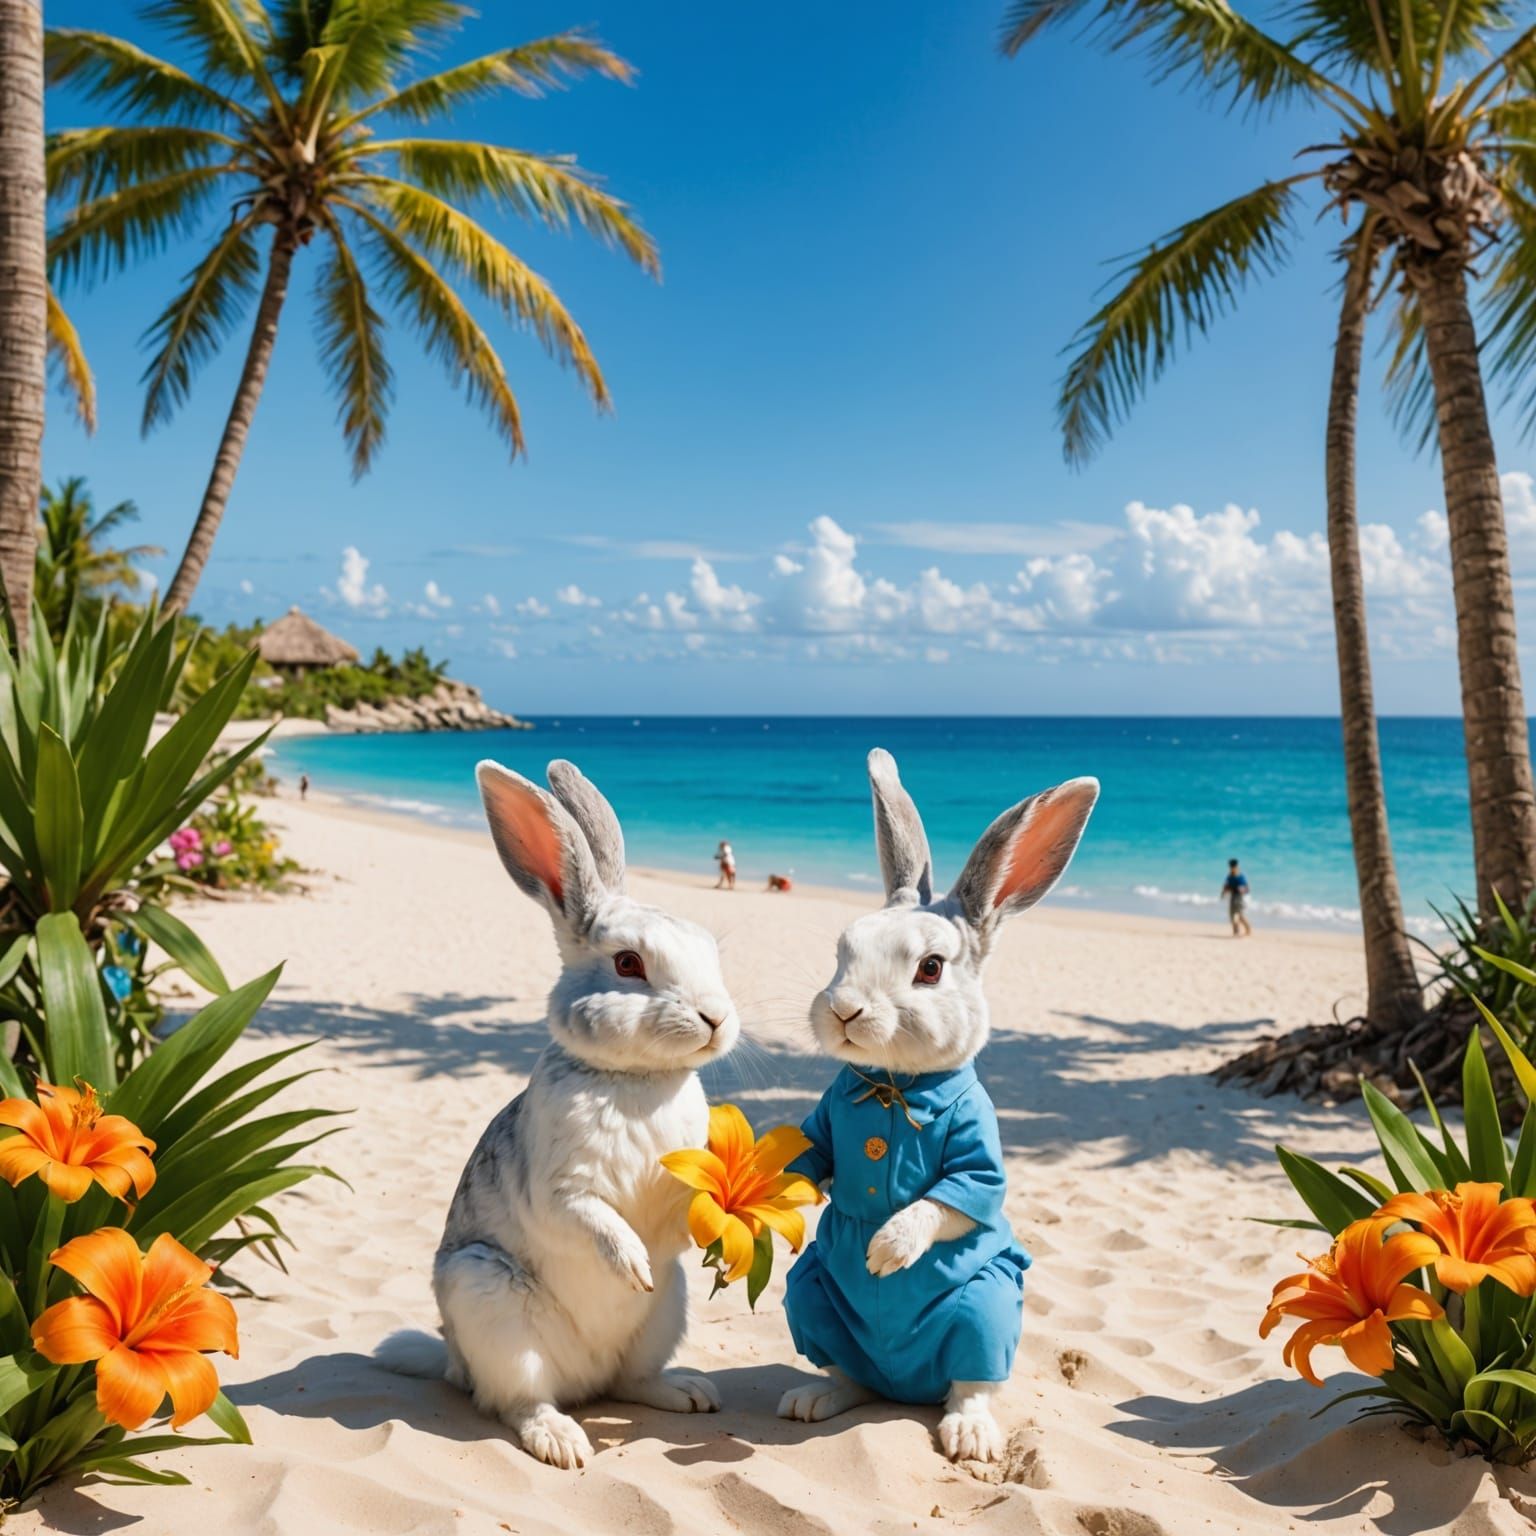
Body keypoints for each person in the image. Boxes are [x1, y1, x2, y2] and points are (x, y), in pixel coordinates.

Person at [1221, 858, 1252, 937]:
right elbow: (1226, 885)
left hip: (1239, 897)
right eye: (1231, 866)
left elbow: (1247, 888)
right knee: (1232, 915)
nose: (1232, 868)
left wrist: (1242, 890)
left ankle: (1248, 929)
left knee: (1240, 915)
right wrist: (1223, 892)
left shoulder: (1240, 876)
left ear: (1237, 866)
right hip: (1233, 897)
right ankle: (1236, 931)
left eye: (1234, 866)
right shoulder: (1230, 876)